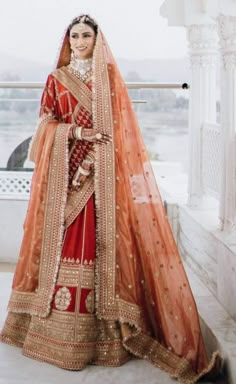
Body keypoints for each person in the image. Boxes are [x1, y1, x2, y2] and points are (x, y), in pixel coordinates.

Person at [0, 14, 222, 383]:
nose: (80, 41)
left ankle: (103, 336)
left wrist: (97, 154)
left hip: (102, 180)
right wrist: (77, 133)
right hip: (66, 181)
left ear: (97, 39)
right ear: (67, 41)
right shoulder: (56, 80)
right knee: (66, 244)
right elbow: (44, 125)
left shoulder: (109, 81)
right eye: (74, 35)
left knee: (99, 248)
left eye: (86, 35)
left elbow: (123, 130)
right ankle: (53, 334)